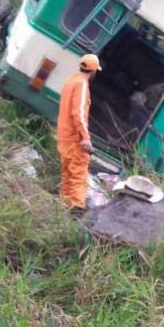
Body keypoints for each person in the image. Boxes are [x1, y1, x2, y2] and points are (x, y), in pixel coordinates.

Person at [57, 53, 102, 214]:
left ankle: (65, 204)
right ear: (94, 71)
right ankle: (76, 209)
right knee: (78, 172)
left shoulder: (71, 80)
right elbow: (79, 113)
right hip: (75, 138)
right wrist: (86, 138)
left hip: (64, 135)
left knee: (67, 172)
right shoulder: (82, 84)